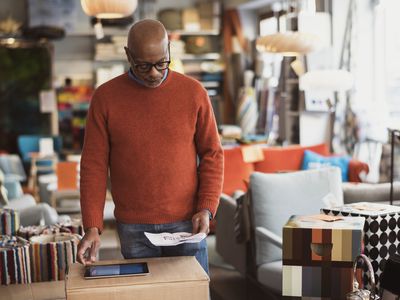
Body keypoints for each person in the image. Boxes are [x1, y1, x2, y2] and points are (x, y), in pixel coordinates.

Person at [76, 19, 223, 274]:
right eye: (143, 65)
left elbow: (212, 154)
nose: (154, 73)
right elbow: (93, 166)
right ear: (128, 55)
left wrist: (206, 208)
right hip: (134, 227)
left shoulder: (194, 93)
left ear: (169, 51)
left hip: (187, 223)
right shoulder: (106, 98)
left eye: (161, 63)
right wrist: (92, 226)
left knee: (190, 293)